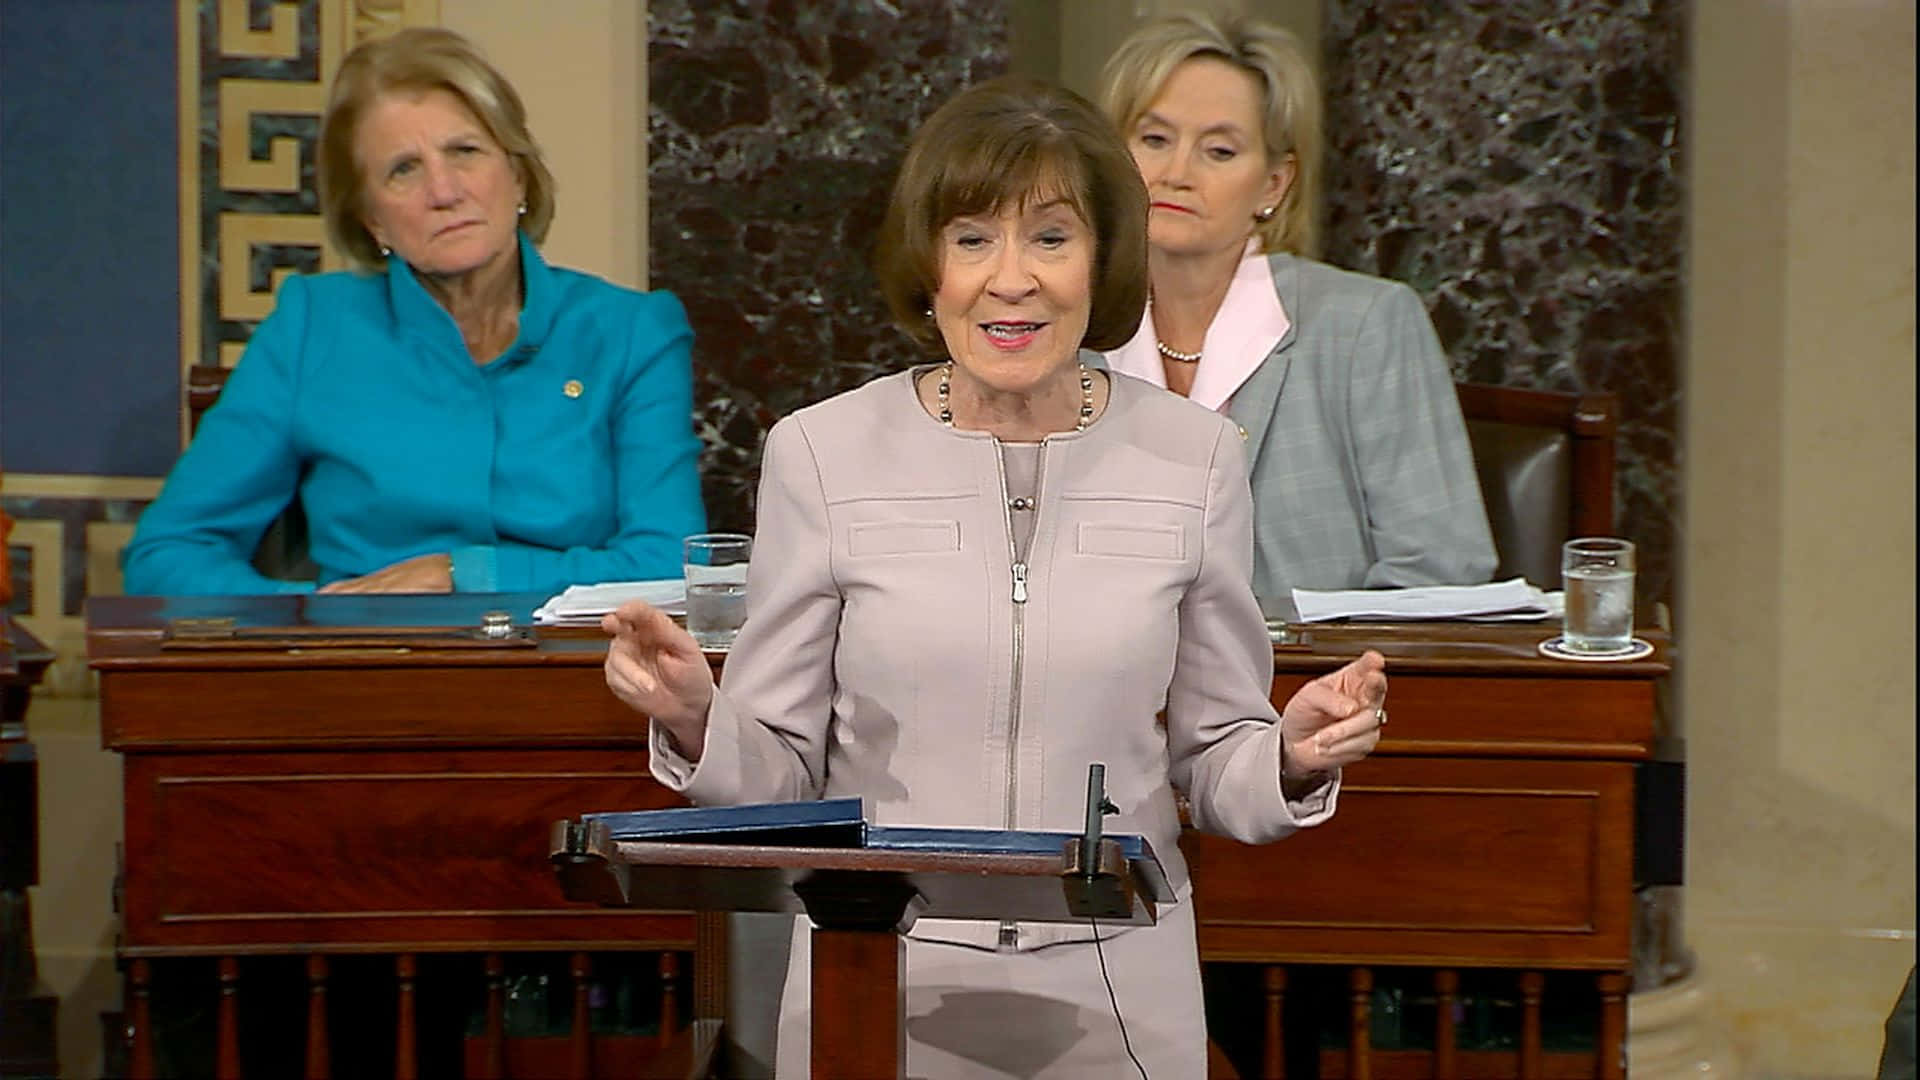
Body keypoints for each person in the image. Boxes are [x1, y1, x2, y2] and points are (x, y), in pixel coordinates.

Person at [603, 76, 1388, 1079]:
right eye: (973, 239)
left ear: (1100, 259)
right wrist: (694, 716)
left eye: (1050, 239)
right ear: (928, 264)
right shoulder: (821, 453)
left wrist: (1290, 753)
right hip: (878, 973)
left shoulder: (1197, 459)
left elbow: (1215, 753)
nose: (1009, 279)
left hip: (1119, 982)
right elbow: (780, 773)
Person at [122, 28, 704, 597]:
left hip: (573, 677)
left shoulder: (632, 332)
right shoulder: (312, 327)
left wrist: (462, 576)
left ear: (518, 174)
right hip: (365, 676)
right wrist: (319, 620)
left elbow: (669, 565)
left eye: (465, 152)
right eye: (404, 169)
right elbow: (167, 556)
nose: (444, 191)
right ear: (372, 220)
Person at [1097, 10, 1497, 602]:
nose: (1176, 173)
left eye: (1219, 151)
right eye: (1154, 140)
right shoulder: (1069, 328)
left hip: (1318, 686)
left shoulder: (1364, 326)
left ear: (1273, 185)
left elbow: (1442, 569)